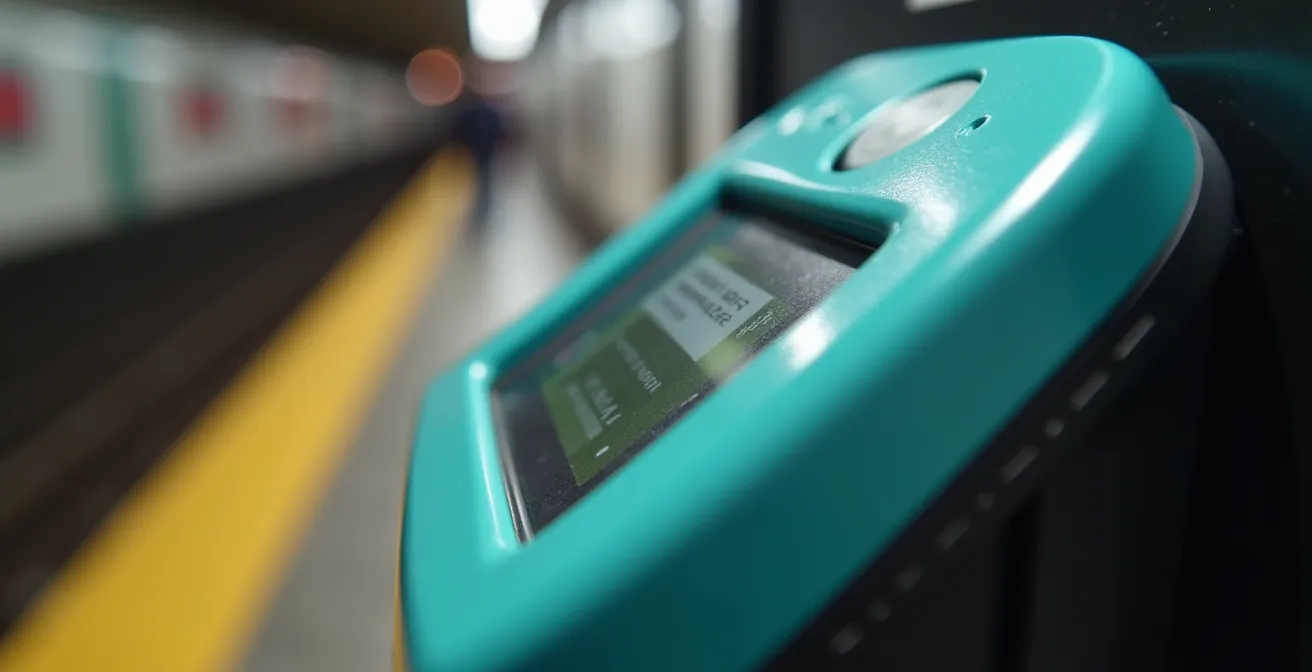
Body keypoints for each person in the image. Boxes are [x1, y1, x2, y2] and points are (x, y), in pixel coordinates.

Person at [451, 92, 506, 235]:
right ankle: (483, 213)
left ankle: (478, 213)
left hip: (474, 154)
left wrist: (459, 152)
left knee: (477, 184)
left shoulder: (469, 113)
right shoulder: (493, 113)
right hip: (488, 154)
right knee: (485, 184)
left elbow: (460, 134)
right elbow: (501, 135)